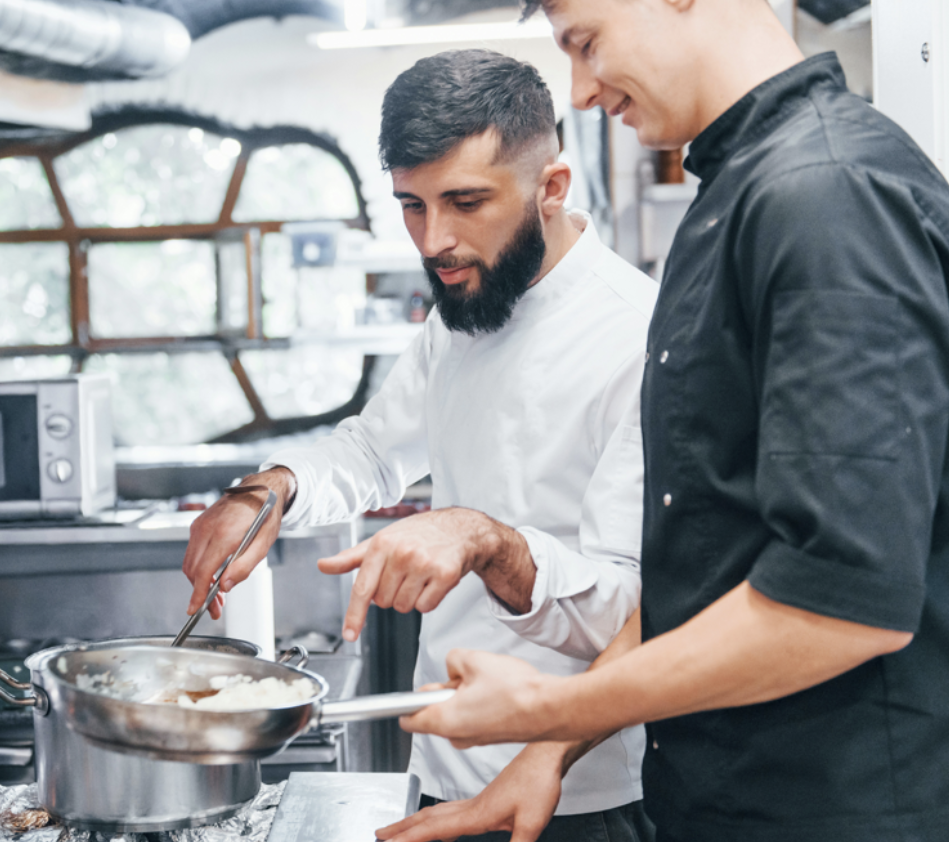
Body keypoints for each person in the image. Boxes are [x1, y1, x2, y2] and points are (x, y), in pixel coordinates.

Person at [381, 2, 949, 842]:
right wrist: (550, 749)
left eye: (586, 42)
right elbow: (717, 564)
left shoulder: (826, 195)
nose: (578, 89)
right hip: (718, 802)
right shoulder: (736, 196)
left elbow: (842, 600)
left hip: (835, 810)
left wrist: (554, 701)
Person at [183, 51, 658, 841]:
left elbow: (634, 609)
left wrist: (485, 541)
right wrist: (271, 488)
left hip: (577, 797)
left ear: (551, 188)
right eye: (411, 205)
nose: (433, 241)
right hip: (441, 768)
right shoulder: (467, 300)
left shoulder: (637, 336)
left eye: (465, 201)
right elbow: (374, 451)